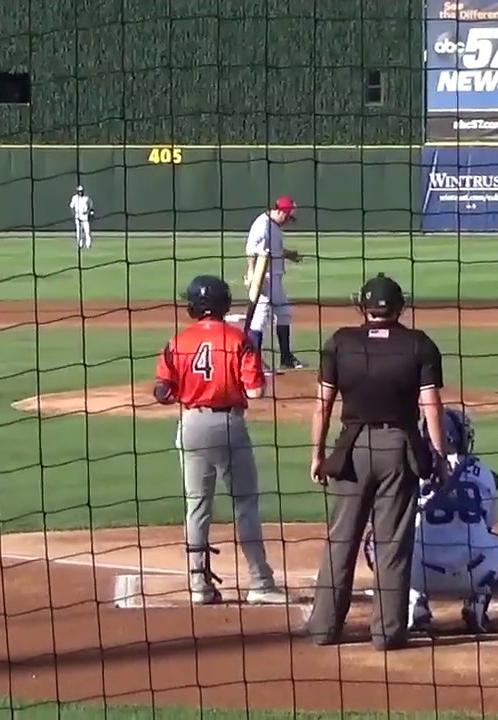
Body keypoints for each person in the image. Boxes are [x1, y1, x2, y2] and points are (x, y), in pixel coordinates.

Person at [305, 273, 451, 651]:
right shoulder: (418, 344)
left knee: (341, 540)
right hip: (399, 448)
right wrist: (439, 455)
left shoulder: (340, 342)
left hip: (351, 449)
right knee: (392, 544)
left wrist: (318, 453)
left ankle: (323, 628)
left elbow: (323, 404)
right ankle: (387, 633)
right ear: (400, 307)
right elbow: (430, 406)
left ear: (362, 307)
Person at [153, 275, 286, 605]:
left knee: (197, 506)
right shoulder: (239, 340)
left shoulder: (177, 341)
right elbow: (255, 391)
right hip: (229, 426)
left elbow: (162, 391)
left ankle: (199, 584)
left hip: (192, 425)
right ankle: (260, 582)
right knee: (245, 505)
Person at [363, 408, 498, 634]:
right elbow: (488, 522)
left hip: (415, 572)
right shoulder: (484, 473)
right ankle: (477, 604)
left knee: (375, 539)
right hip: (472, 573)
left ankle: (413, 600)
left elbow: (388, 519)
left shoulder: (408, 467)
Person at [244, 195, 305, 371]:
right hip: (265, 278)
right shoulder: (262, 225)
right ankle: (253, 361)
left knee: (284, 314)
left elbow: (274, 250)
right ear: (279, 211)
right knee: (259, 319)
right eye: (287, 216)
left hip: (275, 278)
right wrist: (251, 273)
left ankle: (286, 358)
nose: (288, 220)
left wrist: (289, 254)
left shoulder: (274, 226)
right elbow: (251, 251)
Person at [69, 185, 94, 250]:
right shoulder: (74, 198)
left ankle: (88, 245)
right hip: (77, 217)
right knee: (79, 232)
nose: (80, 192)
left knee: (87, 231)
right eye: (79, 191)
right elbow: (72, 207)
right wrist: (74, 215)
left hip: (85, 217)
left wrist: (89, 213)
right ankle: (80, 244)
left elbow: (90, 206)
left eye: (81, 191)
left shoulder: (86, 198)